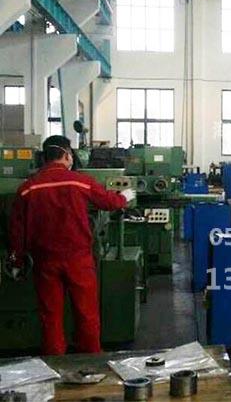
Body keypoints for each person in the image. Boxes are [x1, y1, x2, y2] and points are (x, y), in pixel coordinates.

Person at [7, 135, 135, 355]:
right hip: (78, 260)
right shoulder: (79, 181)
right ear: (67, 155)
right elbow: (108, 202)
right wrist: (123, 197)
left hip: (45, 262)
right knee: (86, 314)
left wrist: (16, 260)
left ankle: (55, 362)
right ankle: (91, 359)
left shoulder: (27, 188)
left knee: (50, 316)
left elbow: (16, 230)